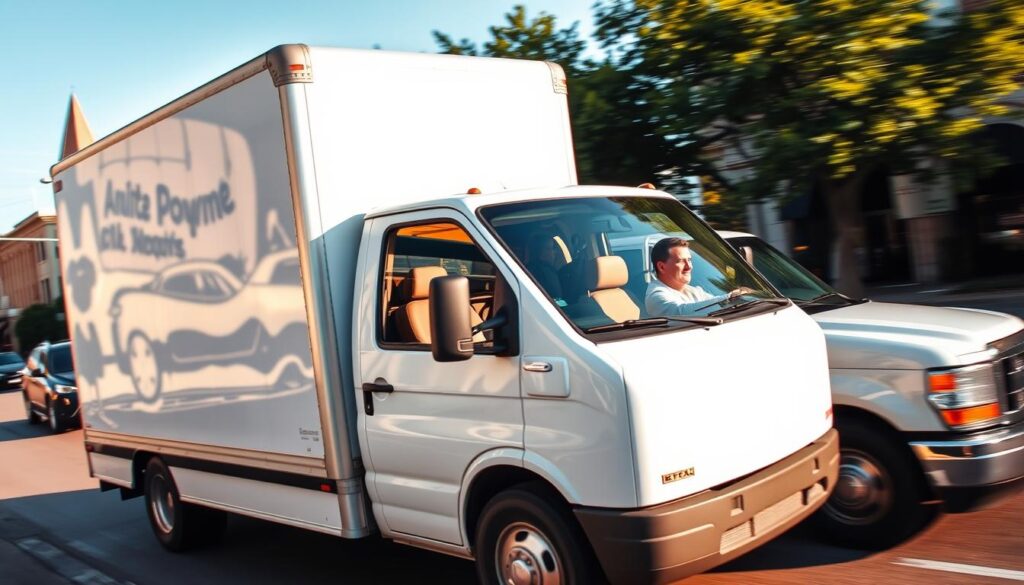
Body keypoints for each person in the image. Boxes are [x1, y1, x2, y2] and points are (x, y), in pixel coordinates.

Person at [645, 237, 751, 316]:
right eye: (681, 261)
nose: (689, 266)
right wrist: (729, 298)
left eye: (689, 260)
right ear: (662, 267)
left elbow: (714, 303)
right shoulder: (656, 296)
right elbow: (681, 313)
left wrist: (747, 297)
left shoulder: (692, 291)